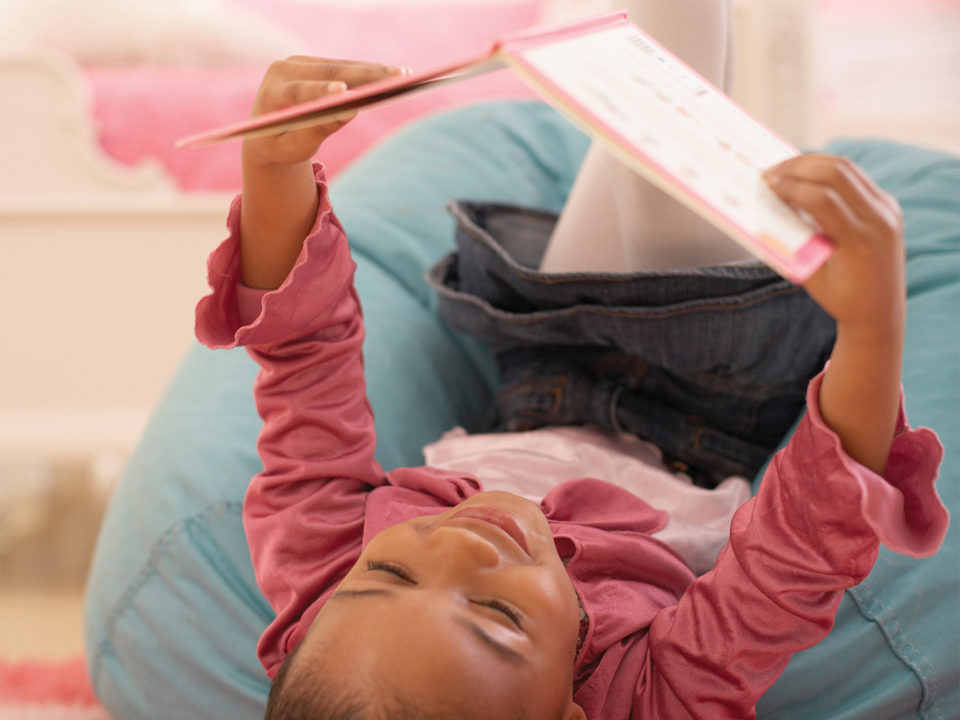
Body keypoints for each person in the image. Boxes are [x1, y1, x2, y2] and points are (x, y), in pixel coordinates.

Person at [194, 2, 948, 718]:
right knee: (655, 140)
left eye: (388, 572)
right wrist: (874, 320)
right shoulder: (650, 696)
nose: (460, 542)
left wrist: (271, 165)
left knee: (641, 122)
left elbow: (303, 371)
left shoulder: (317, 589)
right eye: (496, 613)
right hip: (715, 400)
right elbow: (800, 548)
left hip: (540, 359)